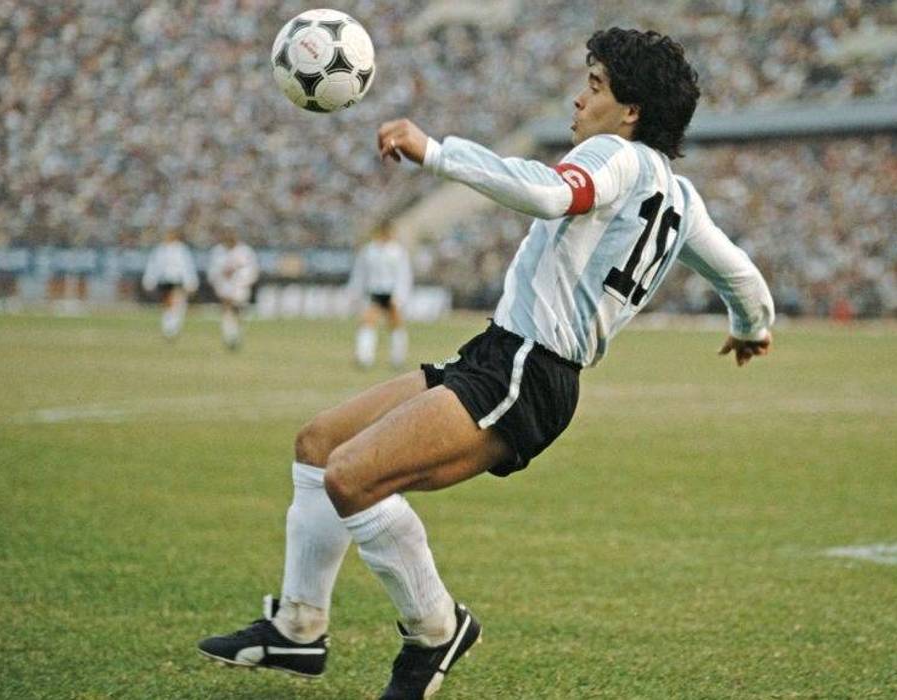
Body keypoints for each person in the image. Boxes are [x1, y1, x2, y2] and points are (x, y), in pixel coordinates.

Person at [197, 28, 774, 700]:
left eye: (593, 85)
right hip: (501, 355)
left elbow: (554, 195)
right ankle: (296, 628)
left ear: (630, 111)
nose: (577, 98)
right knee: (320, 445)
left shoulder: (613, 155)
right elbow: (740, 275)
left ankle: (435, 631)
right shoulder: (680, 198)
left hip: (528, 370)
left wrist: (436, 153)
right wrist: (750, 327)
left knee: (353, 478)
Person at [347, 225, 413, 368]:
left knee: (396, 325)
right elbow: (360, 273)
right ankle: (364, 358)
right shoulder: (368, 251)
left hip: (391, 293)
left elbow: (404, 275)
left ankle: (397, 359)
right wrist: (355, 292)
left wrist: (400, 296)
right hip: (374, 292)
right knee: (367, 323)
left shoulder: (398, 252)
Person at [141, 229, 199, 341]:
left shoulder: (181, 249)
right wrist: (149, 280)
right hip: (165, 280)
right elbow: (153, 266)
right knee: (168, 305)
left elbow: (187, 266)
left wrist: (191, 281)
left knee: (178, 304)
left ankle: (173, 327)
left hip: (177, 279)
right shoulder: (160, 249)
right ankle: (168, 327)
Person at [207, 228, 260, 350]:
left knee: (238, 310)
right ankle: (229, 336)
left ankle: (236, 334)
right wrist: (217, 281)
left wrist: (245, 281)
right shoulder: (218, 251)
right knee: (227, 308)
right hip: (224, 285)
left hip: (241, 286)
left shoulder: (245, 251)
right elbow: (213, 269)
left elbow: (252, 269)